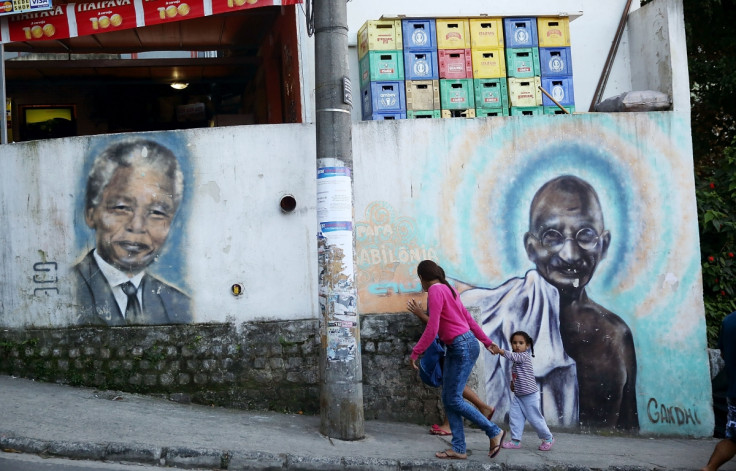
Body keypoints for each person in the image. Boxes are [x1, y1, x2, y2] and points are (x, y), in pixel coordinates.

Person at [461, 175, 638, 430]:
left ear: (604, 244)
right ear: (531, 248)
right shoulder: (503, 314)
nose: (569, 254)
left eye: (585, 235)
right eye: (552, 237)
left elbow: (628, 430)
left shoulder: (615, 336)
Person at [73, 138, 192, 325]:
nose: (137, 226)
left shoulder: (180, 307)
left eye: (157, 213)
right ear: (91, 213)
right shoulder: (66, 291)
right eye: (121, 207)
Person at [409, 260, 506, 460]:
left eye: (420, 279)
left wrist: (416, 351)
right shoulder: (448, 288)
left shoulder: (436, 291)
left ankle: (493, 431)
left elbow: (433, 327)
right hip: (463, 344)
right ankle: (459, 448)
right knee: (449, 397)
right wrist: (487, 342)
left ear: (422, 277)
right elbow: (468, 320)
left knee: (452, 398)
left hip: (460, 346)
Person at [407, 294, 495, 436]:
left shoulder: (438, 294)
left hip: (451, 344)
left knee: (452, 386)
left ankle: (459, 425)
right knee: (451, 383)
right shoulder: (449, 293)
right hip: (454, 343)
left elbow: (438, 326)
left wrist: (420, 314)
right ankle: (483, 408)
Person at [489, 331, 554, 451]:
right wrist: (512, 384)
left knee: (535, 419)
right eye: (514, 343)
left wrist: (500, 351)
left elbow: (513, 356)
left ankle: (548, 438)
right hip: (519, 396)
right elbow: (516, 374)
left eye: (521, 343)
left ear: (527, 345)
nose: (517, 346)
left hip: (530, 396)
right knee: (515, 417)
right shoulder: (516, 361)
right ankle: (515, 441)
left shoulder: (524, 356)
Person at [702, 311, 736, 471]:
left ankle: (709, 468)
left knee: (733, 439)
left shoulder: (729, 320)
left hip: (733, 391)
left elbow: (722, 353)